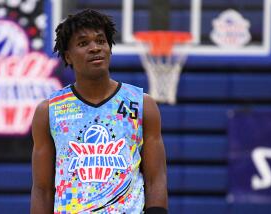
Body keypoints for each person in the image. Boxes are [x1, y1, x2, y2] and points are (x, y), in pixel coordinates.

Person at [30, 9, 168, 214]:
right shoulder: (49, 111)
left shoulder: (141, 104)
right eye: (83, 43)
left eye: (101, 41)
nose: (95, 48)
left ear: (110, 48)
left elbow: (155, 177)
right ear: (68, 56)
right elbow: (42, 189)